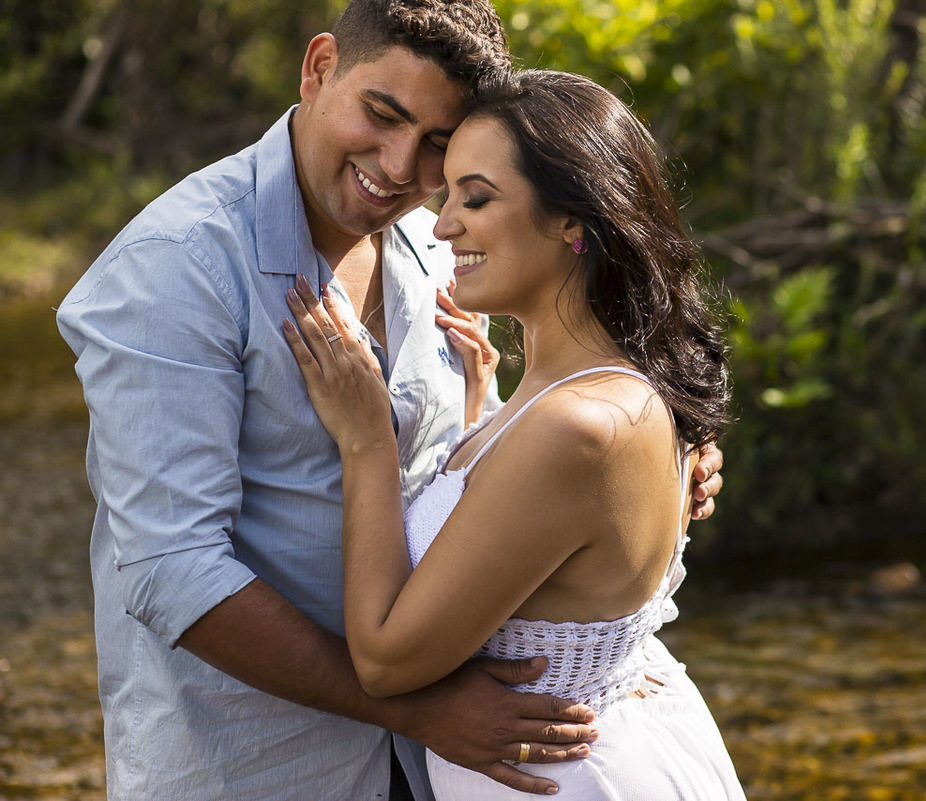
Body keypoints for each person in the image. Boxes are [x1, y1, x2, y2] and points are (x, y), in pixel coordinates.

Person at [56, 1, 725, 798]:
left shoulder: (437, 239)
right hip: (264, 765)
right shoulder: (173, 269)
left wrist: (644, 467)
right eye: (382, 113)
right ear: (318, 67)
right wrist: (416, 707)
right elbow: (175, 573)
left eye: (436, 143)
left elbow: (497, 453)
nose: (401, 167)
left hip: (453, 763)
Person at [282, 69, 746, 799]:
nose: (441, 224)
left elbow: (384, 660)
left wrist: (368, 438)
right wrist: (480, 415)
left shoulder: (581, 426)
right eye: (449, 195)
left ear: (573, 220)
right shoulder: (568, 391)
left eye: (476, 197)